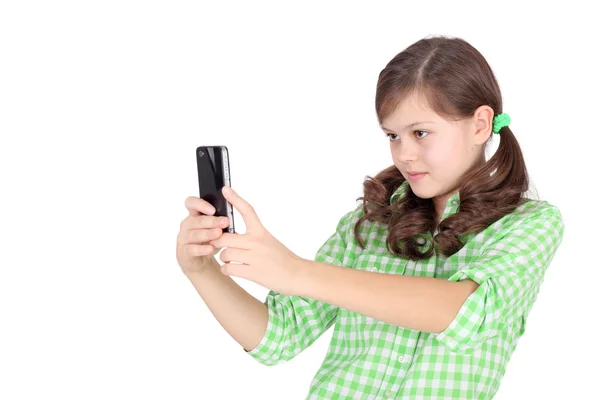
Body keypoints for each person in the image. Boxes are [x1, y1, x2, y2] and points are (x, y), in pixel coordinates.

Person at [176, 35, 565, 400]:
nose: (404, 154)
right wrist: (201, 270)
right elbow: (279, 337)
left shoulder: (530, 223)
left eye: (420, 133)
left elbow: (467, 314)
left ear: (480, 125)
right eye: (392, 136)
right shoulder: (369, 222)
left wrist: (296, 272)